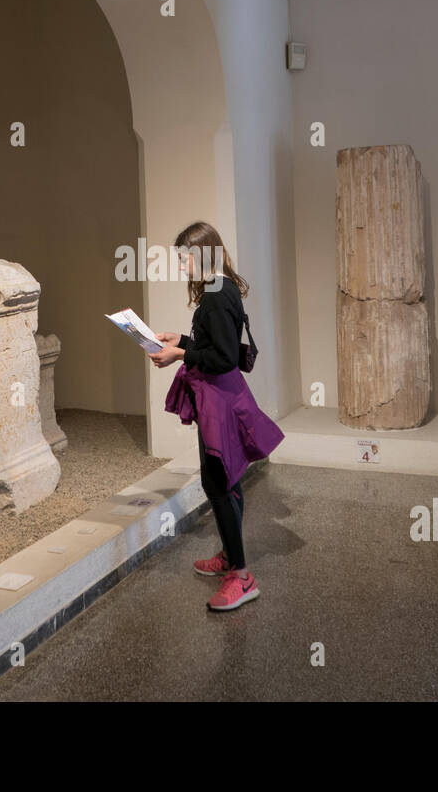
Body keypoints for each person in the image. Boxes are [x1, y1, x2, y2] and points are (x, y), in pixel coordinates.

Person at [150, 221, 284, 611]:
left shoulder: (218, 294)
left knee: (219, 482)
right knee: (223, 478)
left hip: (220, 400)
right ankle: (229, 556)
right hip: (216, 396)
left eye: (184, 258)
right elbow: (215, 345)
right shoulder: (217, 289)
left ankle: (241, 577)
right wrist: (184, 341)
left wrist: (179, 355)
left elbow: (225, 359)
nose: (180, 266)